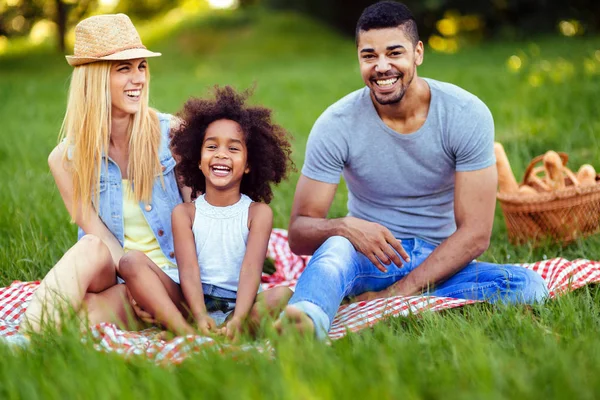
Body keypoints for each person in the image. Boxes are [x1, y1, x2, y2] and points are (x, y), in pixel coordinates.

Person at [275, 1, 548, 339]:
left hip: (441, 260)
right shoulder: (336, 124)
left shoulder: (466, 114)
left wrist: (395, 295)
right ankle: (307, 323)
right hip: (367, 258)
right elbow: (299, 233)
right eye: (369, 56)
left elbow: (476, 233)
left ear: (418, 52)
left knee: (528, 286)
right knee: (335, 248)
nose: (381, 67)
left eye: (394, 53)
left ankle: (381, 304)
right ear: (359, 58)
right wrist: (345, 226)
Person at [20, 14, 188, 333]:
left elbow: (200, 223)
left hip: (171, 278)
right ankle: (21, 343)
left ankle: (33, 336)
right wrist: (132, 280)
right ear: (96, 79)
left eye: (141, 66)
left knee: (84, 316)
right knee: (90, 246)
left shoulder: (173, 135)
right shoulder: (65, 159)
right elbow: (99, 235)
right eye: (124, 69)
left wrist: (147, 288)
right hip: (115, 270)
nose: (138, 78)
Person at [119, 86, 294, 340]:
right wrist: (200, 315)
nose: (221, 154)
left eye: (233, 149)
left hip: (240, 303)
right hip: (192, 302)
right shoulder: (185, 214)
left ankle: (235, 330)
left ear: (248, 165)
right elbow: (188, 270)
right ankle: (186, 330)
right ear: (198, 160)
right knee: (131, 262)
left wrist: (239, 316)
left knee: (283, 294)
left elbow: (251, 270)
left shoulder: (258, 214)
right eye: (211, 147)